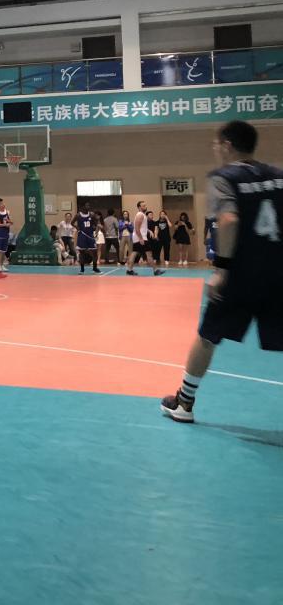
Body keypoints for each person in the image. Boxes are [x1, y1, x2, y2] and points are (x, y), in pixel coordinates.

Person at [161, 121, 282, 422]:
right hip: (277, 273)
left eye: (216, 144)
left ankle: (184, 403)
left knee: (207, 336)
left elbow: (228, 220)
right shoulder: (278, 175)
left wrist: (221, 270)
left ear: (227, 145)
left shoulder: (224, 178)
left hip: (242, 275)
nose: (215, 150)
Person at [126, 201, 164, 276]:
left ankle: (129, 270)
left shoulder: (142, 215)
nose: (145, 207)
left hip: (139, 237)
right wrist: (140, 238)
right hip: (141, 238)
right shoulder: (140, 215)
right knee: (149, 254)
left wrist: (149, 231)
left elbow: (142, 227)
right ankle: (155, 270)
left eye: (145, 205)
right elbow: (137, 228)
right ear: (139, 207)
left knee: (134, 253)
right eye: (143, 206)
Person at [74, 201, 101, 274]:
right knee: (82, 253)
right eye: (87, 205)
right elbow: (72, 223)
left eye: (89, 205)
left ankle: (95, 268)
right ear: (83, 206)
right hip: (82, 236)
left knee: (94, 252)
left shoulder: (92, 214)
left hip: (90, 236)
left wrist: (96, 230)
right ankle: (82, 269)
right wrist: (77, 227)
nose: (88, 207)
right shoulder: (78, 215)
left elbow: (97, 223)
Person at [0, 198, 14, 272]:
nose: (3, 204)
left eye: (3, 203)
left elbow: (11, 222)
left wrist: (9, 222)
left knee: (3, 251)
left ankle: (1, 265)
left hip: (5, 233)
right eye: (1, 203)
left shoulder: (7, 212)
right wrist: (4, 225)